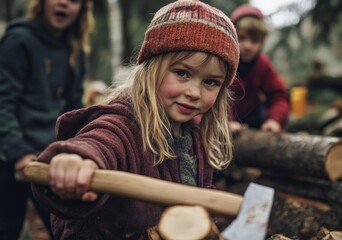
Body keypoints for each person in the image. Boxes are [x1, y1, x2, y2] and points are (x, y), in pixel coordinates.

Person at [30, 0, 240, 238]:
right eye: (182, 73)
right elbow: (99, 144)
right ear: (152, 69)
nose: (194, 92)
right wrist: (78, 162)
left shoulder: (192, 134)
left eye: (210, 82)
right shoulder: (123, 124)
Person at [0, 0, 94, 239]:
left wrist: (77, 150)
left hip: (49, 157)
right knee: (7, 228)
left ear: (82, 9)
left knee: (62, 229)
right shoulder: (19, 40)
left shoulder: (74, 50)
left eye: (73, 1)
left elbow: (74, 111)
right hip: (11, 155)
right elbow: (3, 102)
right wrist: (18, 152)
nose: (64, 3)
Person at [228, 4, 290, 133]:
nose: (248, 46)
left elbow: (278, 95)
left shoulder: (262, 64)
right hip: (219, 120)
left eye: (254, 40)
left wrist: (274, 119)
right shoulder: (222, 62)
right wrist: (225, 122)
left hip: (252, 121)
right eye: (242, 38)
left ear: (261, 42)